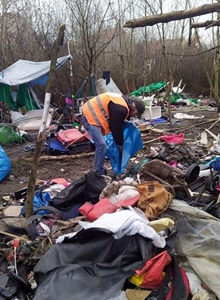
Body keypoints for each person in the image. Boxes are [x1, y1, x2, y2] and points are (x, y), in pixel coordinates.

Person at [82, 92, 145, 175]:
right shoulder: (121, 108)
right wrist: (120, 144)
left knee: (102, 144)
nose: (134, 116)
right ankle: (98, 173)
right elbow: (115, 127)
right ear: (133, 106)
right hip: (89, 116)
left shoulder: (122, 103)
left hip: (91, 113)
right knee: (101, 144)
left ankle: (99, 169)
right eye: (136, 113)